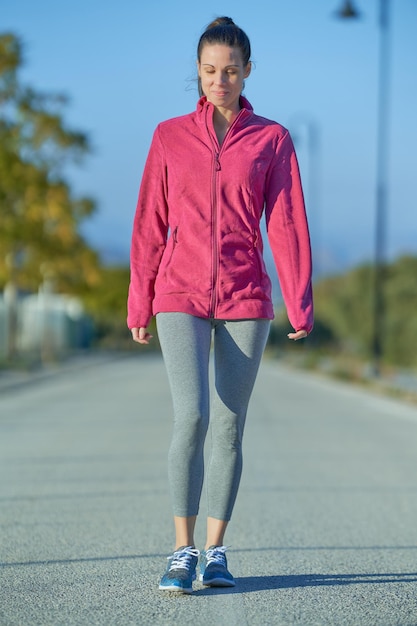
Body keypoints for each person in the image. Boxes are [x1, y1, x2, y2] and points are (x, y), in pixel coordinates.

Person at [127, 16, 313, 594]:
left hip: (244, 295)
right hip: (177, 292)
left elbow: (286, 223)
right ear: (198, 73)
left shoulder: (272, 139)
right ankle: (181, 550)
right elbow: (149, 224)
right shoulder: (168, 136)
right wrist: (140, 302)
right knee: (193, 417)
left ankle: (216, 552)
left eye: (231, 70)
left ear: (248, 71)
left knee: (229, 425)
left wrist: (299, 303)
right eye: (209, 71)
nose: (219, 80)